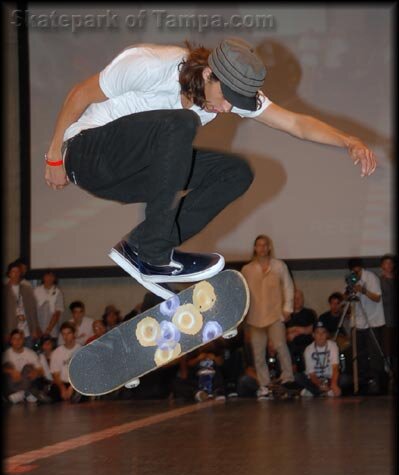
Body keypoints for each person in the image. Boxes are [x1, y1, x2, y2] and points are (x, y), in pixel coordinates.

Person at [45, 38, 376, 300]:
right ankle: (154, 252)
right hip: (87, 153)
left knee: (235, 173)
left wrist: (347, 140)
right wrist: (54, 158)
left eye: (235, 103)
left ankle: (142, 246)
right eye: (226, 97)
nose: (226, 108)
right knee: (181, 124)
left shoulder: (224, 94)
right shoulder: (152, 64)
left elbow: (295, 124)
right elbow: (79, 94)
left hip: (133, 173)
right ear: (207, 74)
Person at [241, 234, 299, 399]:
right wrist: (243, 315)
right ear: (255, 248)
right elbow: (242, 293)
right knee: (258, 354)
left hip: (275, 315)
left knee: (281, 346)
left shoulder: (279, 266)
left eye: (265, 245)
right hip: (255, 317)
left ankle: (287, 378)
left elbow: (288, 286)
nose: (262, 248)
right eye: (259, 245)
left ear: (269, 247)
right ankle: (264, 385)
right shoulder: (247, 269)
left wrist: (287, 308)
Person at [345, 258, 386, 393]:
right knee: (359, 354)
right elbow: (347, 299)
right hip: (358, 322)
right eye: (353, 271)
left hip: (373, 321)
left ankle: (377, 383)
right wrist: (349, 291)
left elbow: (377, 297)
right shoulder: (351, 278)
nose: (355, 273)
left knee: (374, 355)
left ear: (361, 268)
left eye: (357, 271)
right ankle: (362, 382)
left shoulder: (371, 277)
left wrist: (363, 290)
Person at [295, 322, 348, 397]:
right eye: (317, 333)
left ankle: (314, 392)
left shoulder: (333, 345)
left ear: (327, 335)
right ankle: (325, 392)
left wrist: (334, 384)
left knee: (344, 379)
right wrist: (320, 385)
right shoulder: (308, 349)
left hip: (330, 378)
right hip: (315, 380)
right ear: (313, 335)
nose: (320, 335)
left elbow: (335, 368)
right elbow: (312, 374)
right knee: (298, 377)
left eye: (323, 332)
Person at [4, 261, 41, 349]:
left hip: (27, 331)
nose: (16, 274)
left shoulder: (27, 289)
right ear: (9, 274)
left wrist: (35, 328)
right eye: (13, 272)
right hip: (11, 332)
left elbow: (33, 310)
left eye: (18, 272)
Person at [2, 329, 45, 404]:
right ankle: (26, 393)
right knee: (7, 367)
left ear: (23, 340)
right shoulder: (6, 354)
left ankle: (22, 394)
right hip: (13, 383)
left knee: (28, 367)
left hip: (26, 380)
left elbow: (41, 371)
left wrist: (36, 372)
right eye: (14, 339)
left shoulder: (30, 353)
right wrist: (11, 371)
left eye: (20, 338)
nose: (17, 341)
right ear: (11, 341)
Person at [286, 289, 317, 372]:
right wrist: (292, 332)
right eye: (294, 299)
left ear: (302, 299)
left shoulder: (309, 313)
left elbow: (312, 329)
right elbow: (282, 331)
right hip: (290, 347)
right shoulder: (286, 314)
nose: (296, 301)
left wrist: (295, 331)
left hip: (306, 345)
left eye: (298, 298)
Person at [50, 322, 82, 402]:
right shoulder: (56, 352)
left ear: (74, 334)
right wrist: (62, 388)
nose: (66, 336)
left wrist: (71, 388)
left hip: (77, 384)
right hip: (62, 383)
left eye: (69, 333)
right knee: (53, 392)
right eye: (63, 334)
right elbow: (55, 374)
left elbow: (83, 373)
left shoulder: (81, 350)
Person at [379, 254, 396, 386]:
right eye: (386, 263)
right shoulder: (379, 281)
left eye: (391, 263)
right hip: (386, 320)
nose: (389, 265)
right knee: (387, 350)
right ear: (382, 266)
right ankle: (389, 376)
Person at [34, 269, 65, 342]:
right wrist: (37, 328)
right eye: (47, 275)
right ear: (43, 277)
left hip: (52, 331)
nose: (49, 278)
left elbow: (57, 313)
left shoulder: (58, 292)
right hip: (37, 330)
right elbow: (32, 312)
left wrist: (48, 330)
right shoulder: (36, 291)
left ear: (54, 278)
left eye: (51, 276)